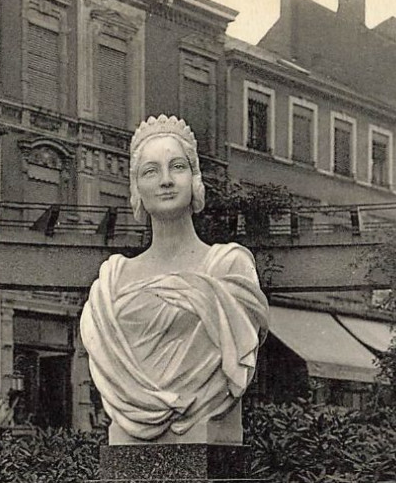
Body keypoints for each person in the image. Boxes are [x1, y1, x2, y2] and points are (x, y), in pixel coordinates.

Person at [80, 115, 269, 444]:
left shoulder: (228, 270)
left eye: (177, 167)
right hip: (129, 440)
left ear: (195, 180)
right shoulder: (111, 284)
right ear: (136, 188)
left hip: (207, 428)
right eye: (151, 171)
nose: (165, 180)